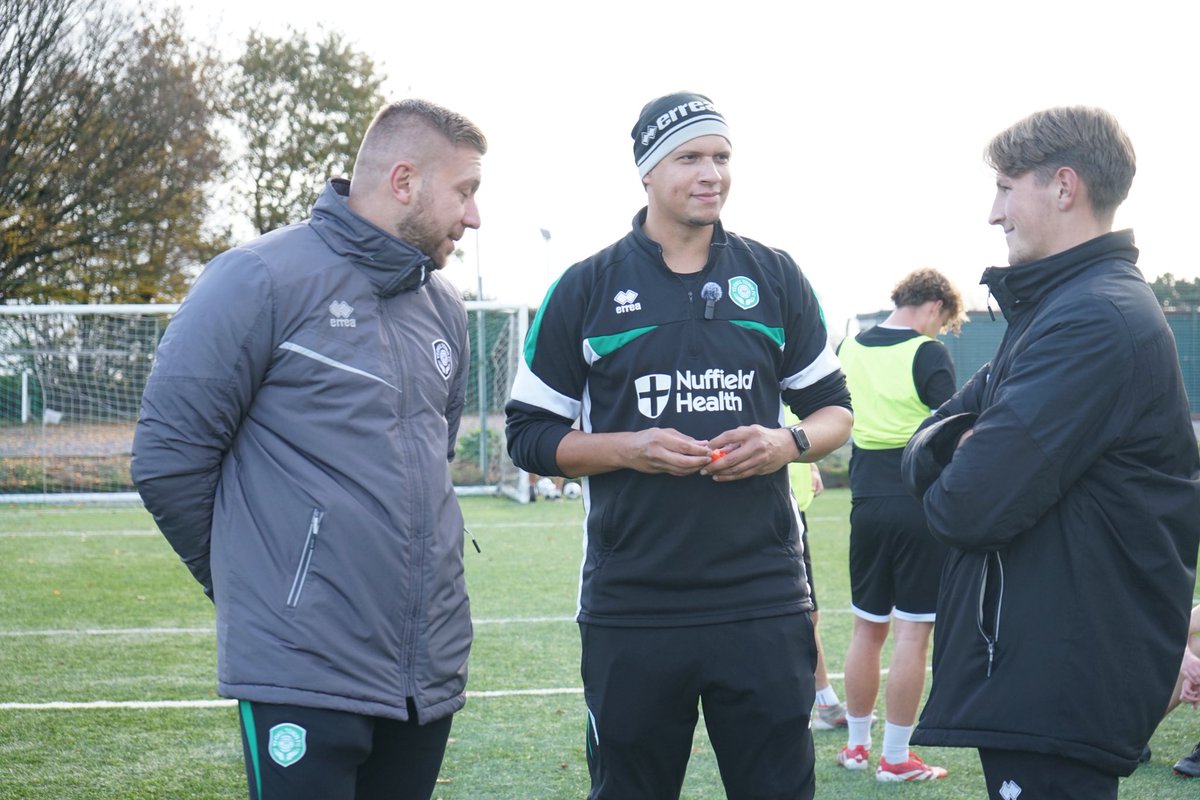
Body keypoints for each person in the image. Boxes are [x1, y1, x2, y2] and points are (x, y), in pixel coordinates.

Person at [131, 99, 486, 800]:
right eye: (465, 192)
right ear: (405, 181)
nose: (474, 217)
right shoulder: (256, 278)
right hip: (301, 664)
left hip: (425, 669)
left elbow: (429, 465)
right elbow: (168, 459)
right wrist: (268, 588)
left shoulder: (444, 308)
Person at [505, 91, 853, 800]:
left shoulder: (774, 275)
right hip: (633, 602)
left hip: (762, 596)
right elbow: (528, 435)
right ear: (647, 171)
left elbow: (834, 412)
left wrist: (786, 442)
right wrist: (628, 449)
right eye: (689, 157)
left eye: (721, 157)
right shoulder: (586, 286)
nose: (711, 174)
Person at [901, 106, 1200, 799]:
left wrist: (964, 448)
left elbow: (966, 506)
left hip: (1062, 673)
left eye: (1006, 188)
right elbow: (924, 445)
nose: (994, 212)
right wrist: (960, 442)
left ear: (1064, 187)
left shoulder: (1092, 318)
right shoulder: (1058, 309)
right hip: (1044, 670)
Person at [834, 268, 964, 782]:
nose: (939, 330)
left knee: (867, 629)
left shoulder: (847, 348)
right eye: (943, 321)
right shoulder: (927, 352)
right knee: (912, 634)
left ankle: (856, 748)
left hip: (865, 502)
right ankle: (895, 758)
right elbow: (954, 429)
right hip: (916, 503)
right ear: (934, 306)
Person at [785, 426, 845, 732]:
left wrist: (809, 465)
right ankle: (817, 702)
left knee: (807, 611)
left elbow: (793, 420)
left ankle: (824, 701)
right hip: (773, 503)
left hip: (792, 503)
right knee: (798, 611)